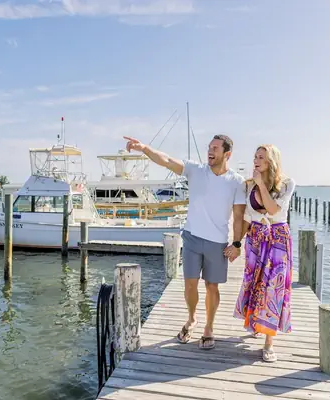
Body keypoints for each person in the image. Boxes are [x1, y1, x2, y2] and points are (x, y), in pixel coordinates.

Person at [124, 134, 246, 350]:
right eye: (209, 147)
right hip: (191, 237)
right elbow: (167, 160)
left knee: (212, 286)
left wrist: (236, 244)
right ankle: (191, 319)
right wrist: (144, 148)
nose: (210, 151)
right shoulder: (195, 170)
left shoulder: (236, 182)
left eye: (215, 148)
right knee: (190, 284)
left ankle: (209, 327)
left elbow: (238, 217)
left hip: (217, 242)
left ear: (227, 154)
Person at [225, 144, 295, 363]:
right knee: (255, 283)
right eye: (255, 156)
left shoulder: (287, 184)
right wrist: (237, 243)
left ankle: (269, 342)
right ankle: (256, 322)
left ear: (271, 161)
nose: (256, 160)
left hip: (277, 239)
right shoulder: (248, 186)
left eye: (261, 157)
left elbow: (274, 210)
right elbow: (246, 217)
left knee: (273, 288)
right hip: (255, 238)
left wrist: (262, 185)